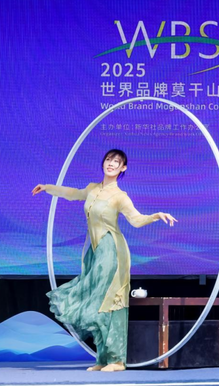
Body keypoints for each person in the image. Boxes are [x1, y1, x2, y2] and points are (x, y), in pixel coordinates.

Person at [32, 149, 177, 372]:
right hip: (95, 251)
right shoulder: (92, 188)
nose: (111, 163)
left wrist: (157, 215)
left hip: (112, 251)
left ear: (123, 168)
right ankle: (102, 358)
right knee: (96, 301)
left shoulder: (120, 196)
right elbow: (72, 193)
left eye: (116, 162)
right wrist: (47, 188)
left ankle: (117, 360)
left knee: (110, 302)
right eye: (108, 159)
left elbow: (136, 220)